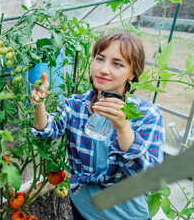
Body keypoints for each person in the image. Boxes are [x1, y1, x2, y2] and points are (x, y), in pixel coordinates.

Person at [31, 32, 164, 220]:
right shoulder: (76, 104)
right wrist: (39, 104)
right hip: (83, 206)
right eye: (100, 59)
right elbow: (46, 131)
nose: (103, 69)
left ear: (132, 73)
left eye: (117, 64)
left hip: (124, 214)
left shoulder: (147, 115)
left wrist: (122, 127)